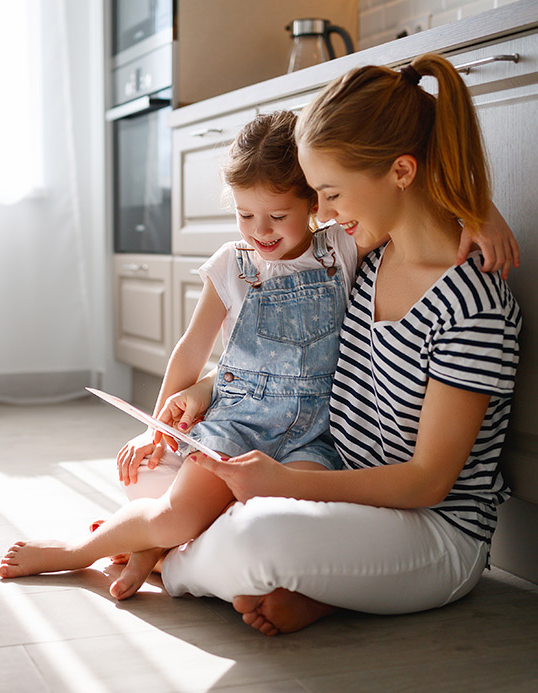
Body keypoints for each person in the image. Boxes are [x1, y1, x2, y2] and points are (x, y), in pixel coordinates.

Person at [115, 53, 522, 636]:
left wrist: (282, 484)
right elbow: (298, 357)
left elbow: (427, 483)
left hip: (430, 525)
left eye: (330, 194)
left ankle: (164, 556)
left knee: (253, 532)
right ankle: (300, 583)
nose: (323, 215)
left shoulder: (473, 303)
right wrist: (209, 388)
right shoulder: (366, 259)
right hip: (341, 483)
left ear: (401, 173)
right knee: (153, 478)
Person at [0, 111, 359, 594]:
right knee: (174, 517)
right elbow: (192, 349)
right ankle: (81, 551)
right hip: (238, 425)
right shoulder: (233, 264)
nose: (260, 231)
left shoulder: (341, 247)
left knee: (288, 522)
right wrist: (155, 431)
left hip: (314, 436)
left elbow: (415, 216)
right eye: (245, 214)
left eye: (277, 216)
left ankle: (153, 554)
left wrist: (478, 224)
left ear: (314, 201)